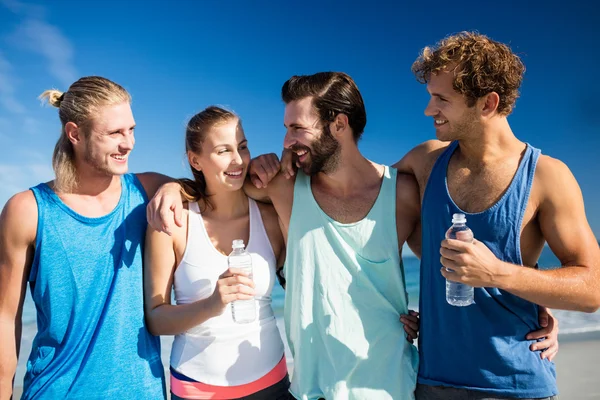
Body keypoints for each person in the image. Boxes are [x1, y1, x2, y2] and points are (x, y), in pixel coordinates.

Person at [393, 32, 600, 399]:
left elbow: (591, 289)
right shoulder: (426, 160)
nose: (429, 110)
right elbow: (355, 196)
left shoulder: (546, 177)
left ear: (487, 103)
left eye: (441, 99)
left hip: (516, 384)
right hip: (432, 382)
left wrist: (497, 274)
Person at [0, 76, 168, 399]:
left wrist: (174, 188)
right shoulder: (28, 211)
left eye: (131, 130)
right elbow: (6, 319)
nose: (129, 143)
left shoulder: (146, 191)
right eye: (115, 133)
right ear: (75, 134)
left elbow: (216, 190)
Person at [143, 106, 290, 400]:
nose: (238, 160)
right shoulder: (173, 222)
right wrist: (212, 304)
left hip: (273, 382)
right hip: (198, 388)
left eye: (243, 147)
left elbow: (306, 279)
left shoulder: (270, 218)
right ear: (195, 160)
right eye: (224, 151)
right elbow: (156, 319)